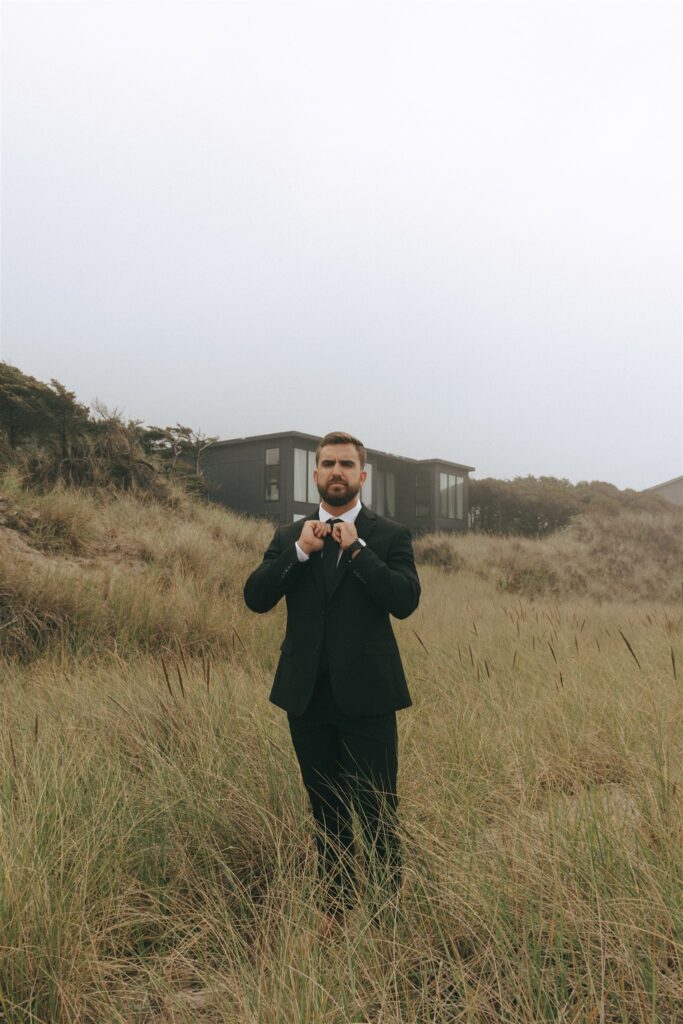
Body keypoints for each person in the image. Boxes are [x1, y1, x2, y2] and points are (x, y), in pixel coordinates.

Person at [243, 431, 420, 931]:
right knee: (325, 809)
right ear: (315, 475)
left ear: (362, 476)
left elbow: (405, 601)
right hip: (306, 697)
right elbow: (255, 598)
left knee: (378, 808)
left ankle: (388, 912)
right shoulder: (288, 537)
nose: (337, 471)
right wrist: (297, 554)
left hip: (368, 695)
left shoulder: (389, 535)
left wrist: (360, 553)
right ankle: (337, 910)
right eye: (328, 464)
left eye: (346, 464)